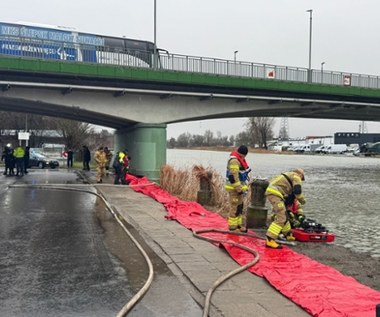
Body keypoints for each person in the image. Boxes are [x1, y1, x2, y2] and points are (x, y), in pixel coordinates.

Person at [265, 168, 306, 249]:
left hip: (275, 193)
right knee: (281, 217)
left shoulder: (288, 175)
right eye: (302, 178)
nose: (301, 180)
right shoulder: (296, 176)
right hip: (275, 194)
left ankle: (287, 234)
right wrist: (302, 200)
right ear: (300, 174)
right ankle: (270, 239)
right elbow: (297, 191)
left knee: (285, 214)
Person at [224, 145, 251, 232]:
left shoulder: (239, 160)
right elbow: (234, 176)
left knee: (240, 206)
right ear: (243, 155)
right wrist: (239, 189)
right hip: (234, 189)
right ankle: (232, 227)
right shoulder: (234, 161)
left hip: (239, 189)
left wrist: (242, 189)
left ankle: (238, 225)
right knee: (234, 207)